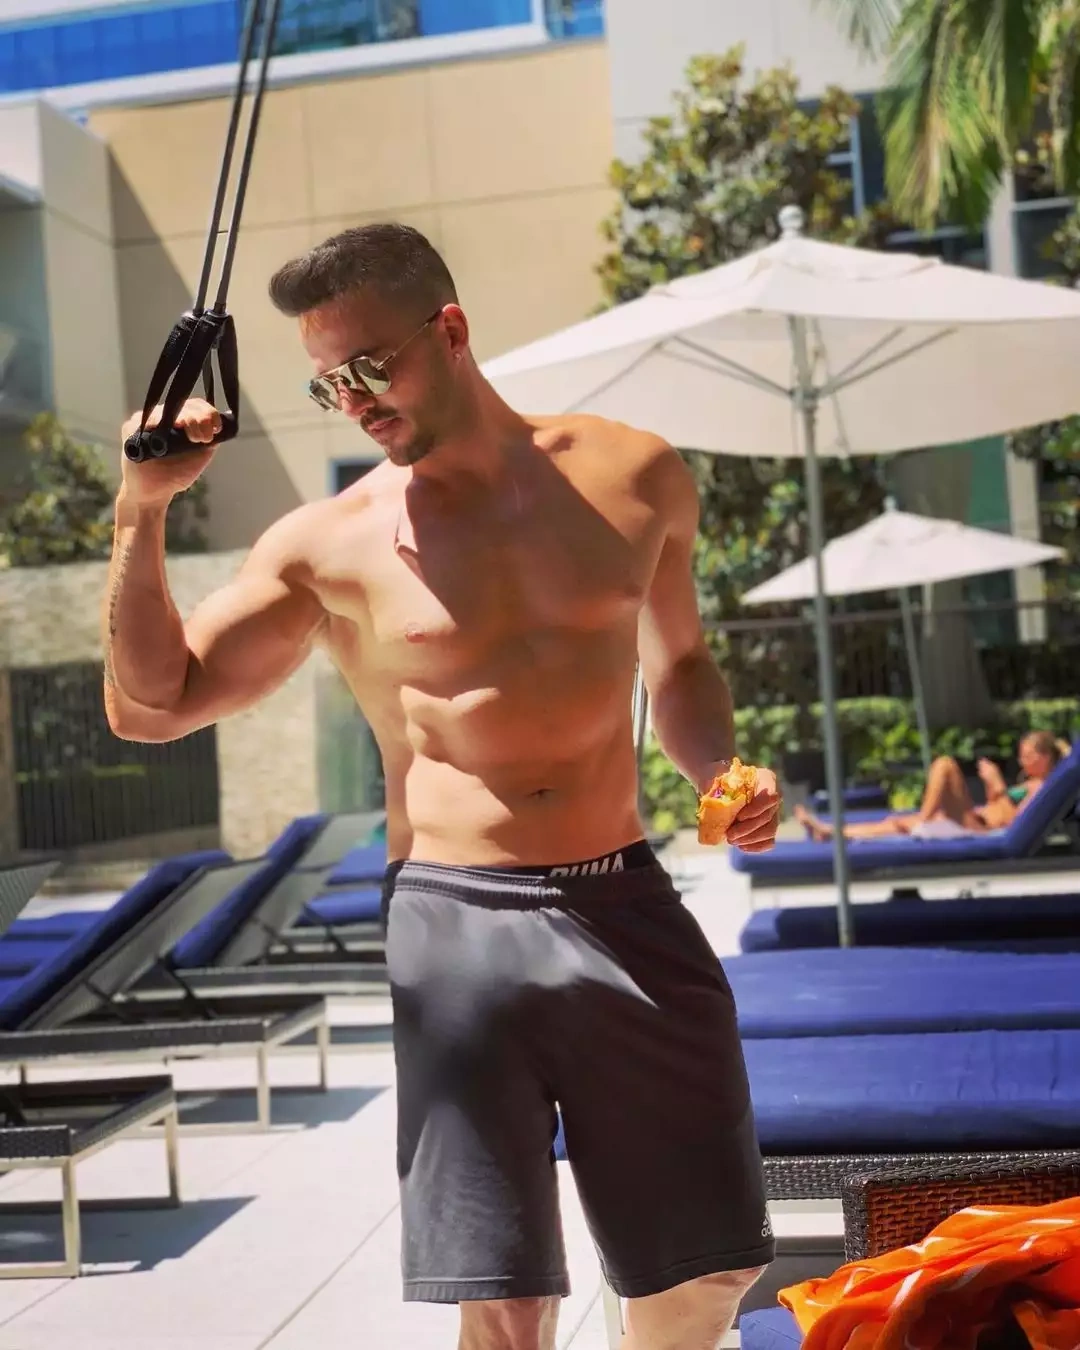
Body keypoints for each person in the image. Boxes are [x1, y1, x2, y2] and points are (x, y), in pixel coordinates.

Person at [102, 223, 782, 1350]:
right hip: (457, 919)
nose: (355, 401)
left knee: (711, 1268)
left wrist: (721, 768)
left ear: (450, 330)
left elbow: (681, 669)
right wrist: (144, 505)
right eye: (330, 384)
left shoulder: (635, 476)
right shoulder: (330, 544)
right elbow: (150, 703)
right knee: (505, 1300)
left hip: (626, 898)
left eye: (371, 367)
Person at [795, 731, 1068, 843]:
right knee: (895, 823)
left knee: (945, 765)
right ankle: (830, 833)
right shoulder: (1029, 783)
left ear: (1045, 758)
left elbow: (1020, 822)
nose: (1021, 761)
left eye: (1028, 756)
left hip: (981, 829)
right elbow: (998, 807)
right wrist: (993, 788)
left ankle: (924, 821)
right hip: (978, 818)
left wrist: (998, 785)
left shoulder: (1043, 788)